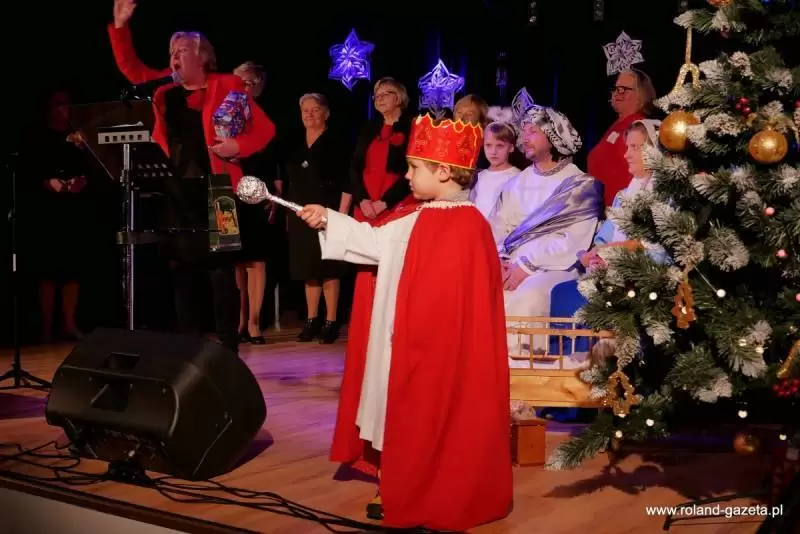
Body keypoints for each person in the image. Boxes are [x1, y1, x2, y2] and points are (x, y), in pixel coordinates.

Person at [299, 114, 513, 532]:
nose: (407, 176)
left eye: (414, 167)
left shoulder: (470, 227)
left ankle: (436, 487)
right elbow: (375, 242)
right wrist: (328, 218)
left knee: (436, 416)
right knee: (398, 414)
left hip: (434, 353)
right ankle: (396, 482)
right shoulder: (415, 218)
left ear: (444, 171)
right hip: (401, 345)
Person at [108, 0, 275, 353]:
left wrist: (238, 145)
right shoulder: (164, 91)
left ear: (202, 56)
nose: (174, 56)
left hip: (220, 190)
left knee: (221, 272)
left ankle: (228, 347)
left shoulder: (228, 84)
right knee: (181, 271)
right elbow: (133, 72)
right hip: (176, 190)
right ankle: (189, 348)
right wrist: (121, 27)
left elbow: (265, 130)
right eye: (171, 52)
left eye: (182, 50)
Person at [488, 105, 602, 365]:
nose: (525, 138)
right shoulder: (515, 183)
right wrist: (500, 261)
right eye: (524, 131)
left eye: (533, 132)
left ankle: (523, 374)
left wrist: (526, 266)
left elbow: (573, 242)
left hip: (557, 267)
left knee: (528, 296)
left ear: (553, 137)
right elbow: (498, 228)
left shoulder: (581, 185)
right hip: (510, 266)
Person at [284, 93, 352, 343]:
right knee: (308, 269)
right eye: (305, 110)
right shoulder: (295, 144)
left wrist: (341, 216)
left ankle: (331, 321)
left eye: (315, 109)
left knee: (329, 267)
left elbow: (347, 181)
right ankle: (312, 320)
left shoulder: (338, 143)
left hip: (329, 211)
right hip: (300, 213)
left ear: (326, 113)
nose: (309, 114)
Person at [29, 91, 94, 342]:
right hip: (48, 209)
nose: (63, 109)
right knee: (49, 269)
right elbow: (30, 170)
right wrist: (48, 183)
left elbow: (93, 166)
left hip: (73, 208)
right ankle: (46, 326)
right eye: (59, 104)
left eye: (67, 104)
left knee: (72, 267)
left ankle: (69, 323)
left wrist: (82, 180)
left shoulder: (80, 135)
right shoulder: (40, 137)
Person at [581, 118, 665, 269]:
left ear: (654, 150)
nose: (626, 155)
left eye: (634, 147)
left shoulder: (667, 197)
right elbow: (603, 240)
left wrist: (619, 250)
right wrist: (594, 254)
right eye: (627, 147)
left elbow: (662, 255)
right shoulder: (623, 197)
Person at [232, 61, 277, 344]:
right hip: (229, 190)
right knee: (235, 258)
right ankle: (239, 320)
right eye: (239, 82)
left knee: (256, 258)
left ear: (259, 86)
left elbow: (273, 160)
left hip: (258, 189)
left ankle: (255, 323)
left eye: (249, 82)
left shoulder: (265, 117)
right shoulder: (223, 114)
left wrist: (273, 196)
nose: (244, 87)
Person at [587, 68, 657, 207]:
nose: (617, 93)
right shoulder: (617, 125)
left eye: (623, 89)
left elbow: (643, 173)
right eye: (616, 89)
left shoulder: (639, 126)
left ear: (641, 94)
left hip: (623, 210)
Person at [470, 121, 520, 218]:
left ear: (511, 148)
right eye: (488, 145)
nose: (493, 151)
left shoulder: (516, 176)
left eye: (500, 146)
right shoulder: (480, 176)